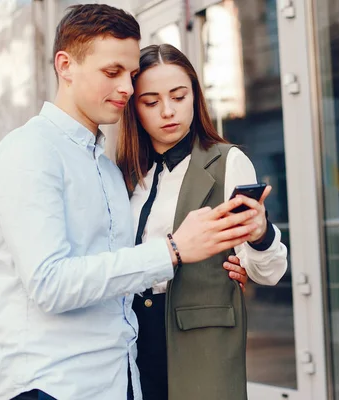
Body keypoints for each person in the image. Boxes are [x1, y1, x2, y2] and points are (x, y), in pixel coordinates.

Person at [0, 5, 257, 400]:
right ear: (65, 66)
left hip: (118, 379)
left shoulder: (110, 170)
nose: (127, 88)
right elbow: (50, 284)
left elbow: (117, 276)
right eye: (112, 73)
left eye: (129, 75)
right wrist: (174, 250)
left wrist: (220, 271)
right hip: (52, 386)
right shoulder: (29, 152)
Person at [117, 43, 288, 400]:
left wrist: (259, 235)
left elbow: (268, 272)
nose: (168, 111)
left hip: (200, 339)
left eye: (179, 96)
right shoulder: (125, 172)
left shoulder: (227, 162)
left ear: (195, 96)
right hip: (129, 339)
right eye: (151, 102)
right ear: (134, 108)